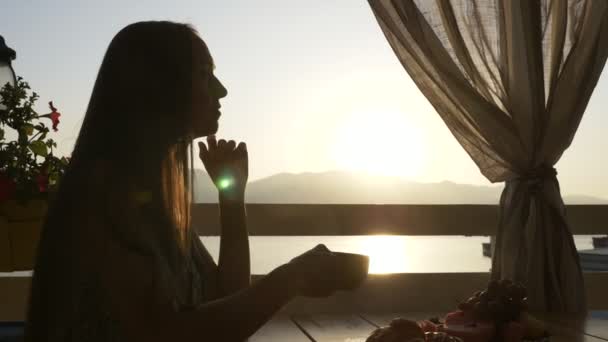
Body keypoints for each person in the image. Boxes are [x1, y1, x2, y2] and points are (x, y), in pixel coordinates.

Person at [24, 21, 351, 342]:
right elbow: (167, 334)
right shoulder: (102, 198)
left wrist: (233, 197)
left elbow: (224, 296)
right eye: (205, 75)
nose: (221, 90)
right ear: (156, 86)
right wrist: (292, 278)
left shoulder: (156, 198)